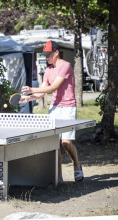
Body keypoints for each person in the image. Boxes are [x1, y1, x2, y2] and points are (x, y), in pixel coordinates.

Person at [20, 40, 84, 184]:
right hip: (54, 108)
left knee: (66, 143)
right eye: (45, 55)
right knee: (54, 144)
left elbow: (53, 87)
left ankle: (76, 164)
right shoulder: (48, 70)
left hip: (68, 107)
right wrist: (29, 98)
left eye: (49, 55)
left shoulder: (65, 66)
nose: (46, 57)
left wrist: (32, 89)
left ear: (56, 52)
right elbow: (42, 92)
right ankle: (58, 177)